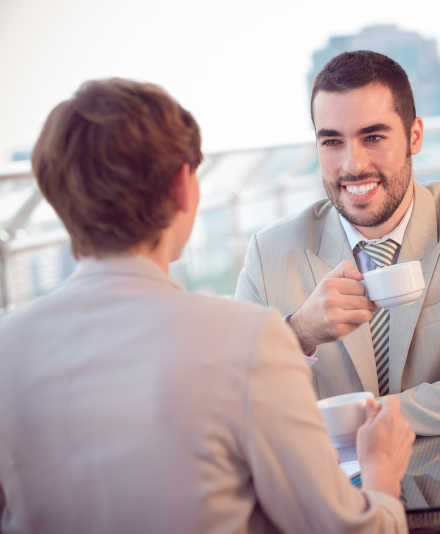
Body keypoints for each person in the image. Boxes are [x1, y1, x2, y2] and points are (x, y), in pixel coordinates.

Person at [0, 78, 414, 533]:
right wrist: (381, 473)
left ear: (55, 197)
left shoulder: (8, 347)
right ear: (182, 186)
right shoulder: (245, 337)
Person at [235, 51, 440, 435]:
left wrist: (353, 418)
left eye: (372, 137)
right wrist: (298, 334)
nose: (353, 165)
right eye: (332, 142)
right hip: (330, 492)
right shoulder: (268, 254)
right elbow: (234, 404)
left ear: (414, 136)